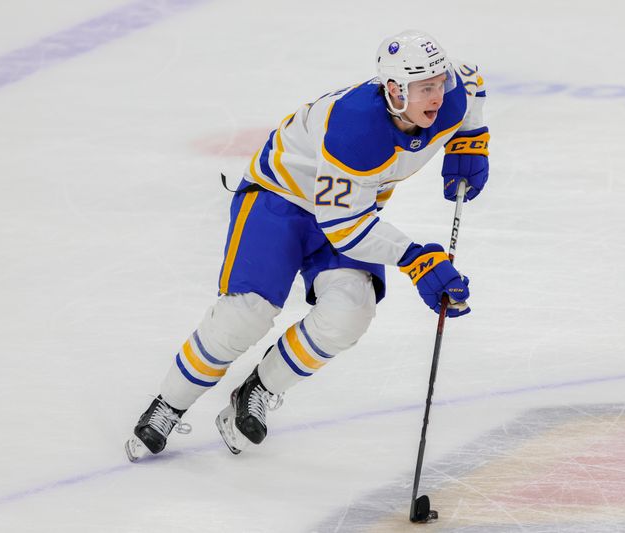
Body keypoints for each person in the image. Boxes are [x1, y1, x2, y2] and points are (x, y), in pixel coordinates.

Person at [125, 29, 490, 461]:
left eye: (439, 82)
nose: (437, 96)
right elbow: (344, 228)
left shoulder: (452, 94)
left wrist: (472, 141)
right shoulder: (354, 128)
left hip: (347, 207)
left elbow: (472, 82)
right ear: (393, 91)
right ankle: (168, 404)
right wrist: (416, 260)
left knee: (350, 312)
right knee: (246, 313)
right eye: (424, 87)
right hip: (280, 199)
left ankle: (257, 389)